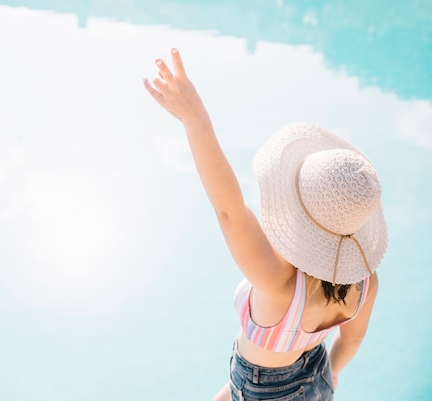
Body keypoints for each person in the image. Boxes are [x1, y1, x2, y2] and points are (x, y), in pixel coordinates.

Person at [143, 49, 388, 401]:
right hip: (314, 372)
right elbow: (353, 339)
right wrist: (328, 376)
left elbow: (229, 210)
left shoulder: (278, 282)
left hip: (263, 388)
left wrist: (195, 120)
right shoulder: (365, 282)